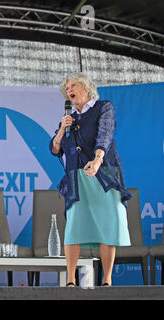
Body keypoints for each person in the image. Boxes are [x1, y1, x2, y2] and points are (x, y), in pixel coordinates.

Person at [50, 73, 132, 287]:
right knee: (74, 226)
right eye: (67, 87)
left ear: (86, 87)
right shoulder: (69, 118)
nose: (69, 90)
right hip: (77, 177)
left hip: (103, 172)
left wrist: (97, 159)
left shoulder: (103, 107)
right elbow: (55, 149)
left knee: (108, 225)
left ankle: (106, 280)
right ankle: (70, 280)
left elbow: (104, 134)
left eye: (73, 85)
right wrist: (61, 130)